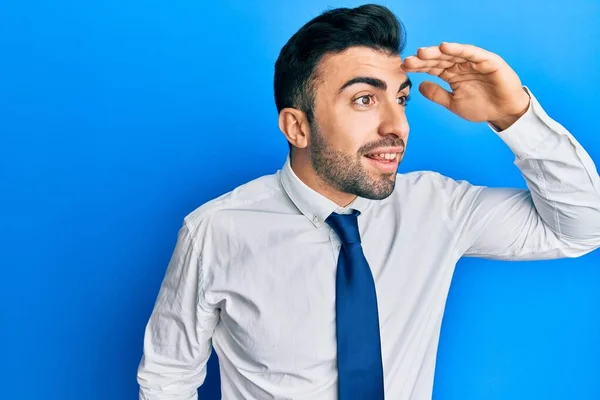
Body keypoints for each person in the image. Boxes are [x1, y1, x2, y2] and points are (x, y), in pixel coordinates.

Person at [137, 4, 600, 400]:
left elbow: (581, 226)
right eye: (364, 99)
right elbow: (167, 375)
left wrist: (512, 115)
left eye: (401, 100)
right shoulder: (217, 230)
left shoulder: (438, 208)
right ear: (297, 127)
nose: (397, 126)